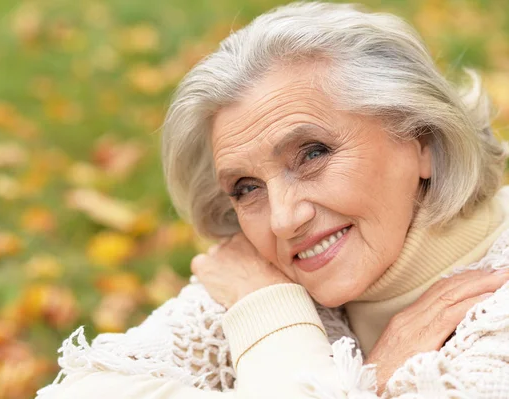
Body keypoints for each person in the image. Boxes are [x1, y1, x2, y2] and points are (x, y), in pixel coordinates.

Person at [36, 2, 509, 398]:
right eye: (246, 188)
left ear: (421, 139)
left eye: (312, 154)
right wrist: (367, 375)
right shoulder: (261, 285)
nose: (283, 220)